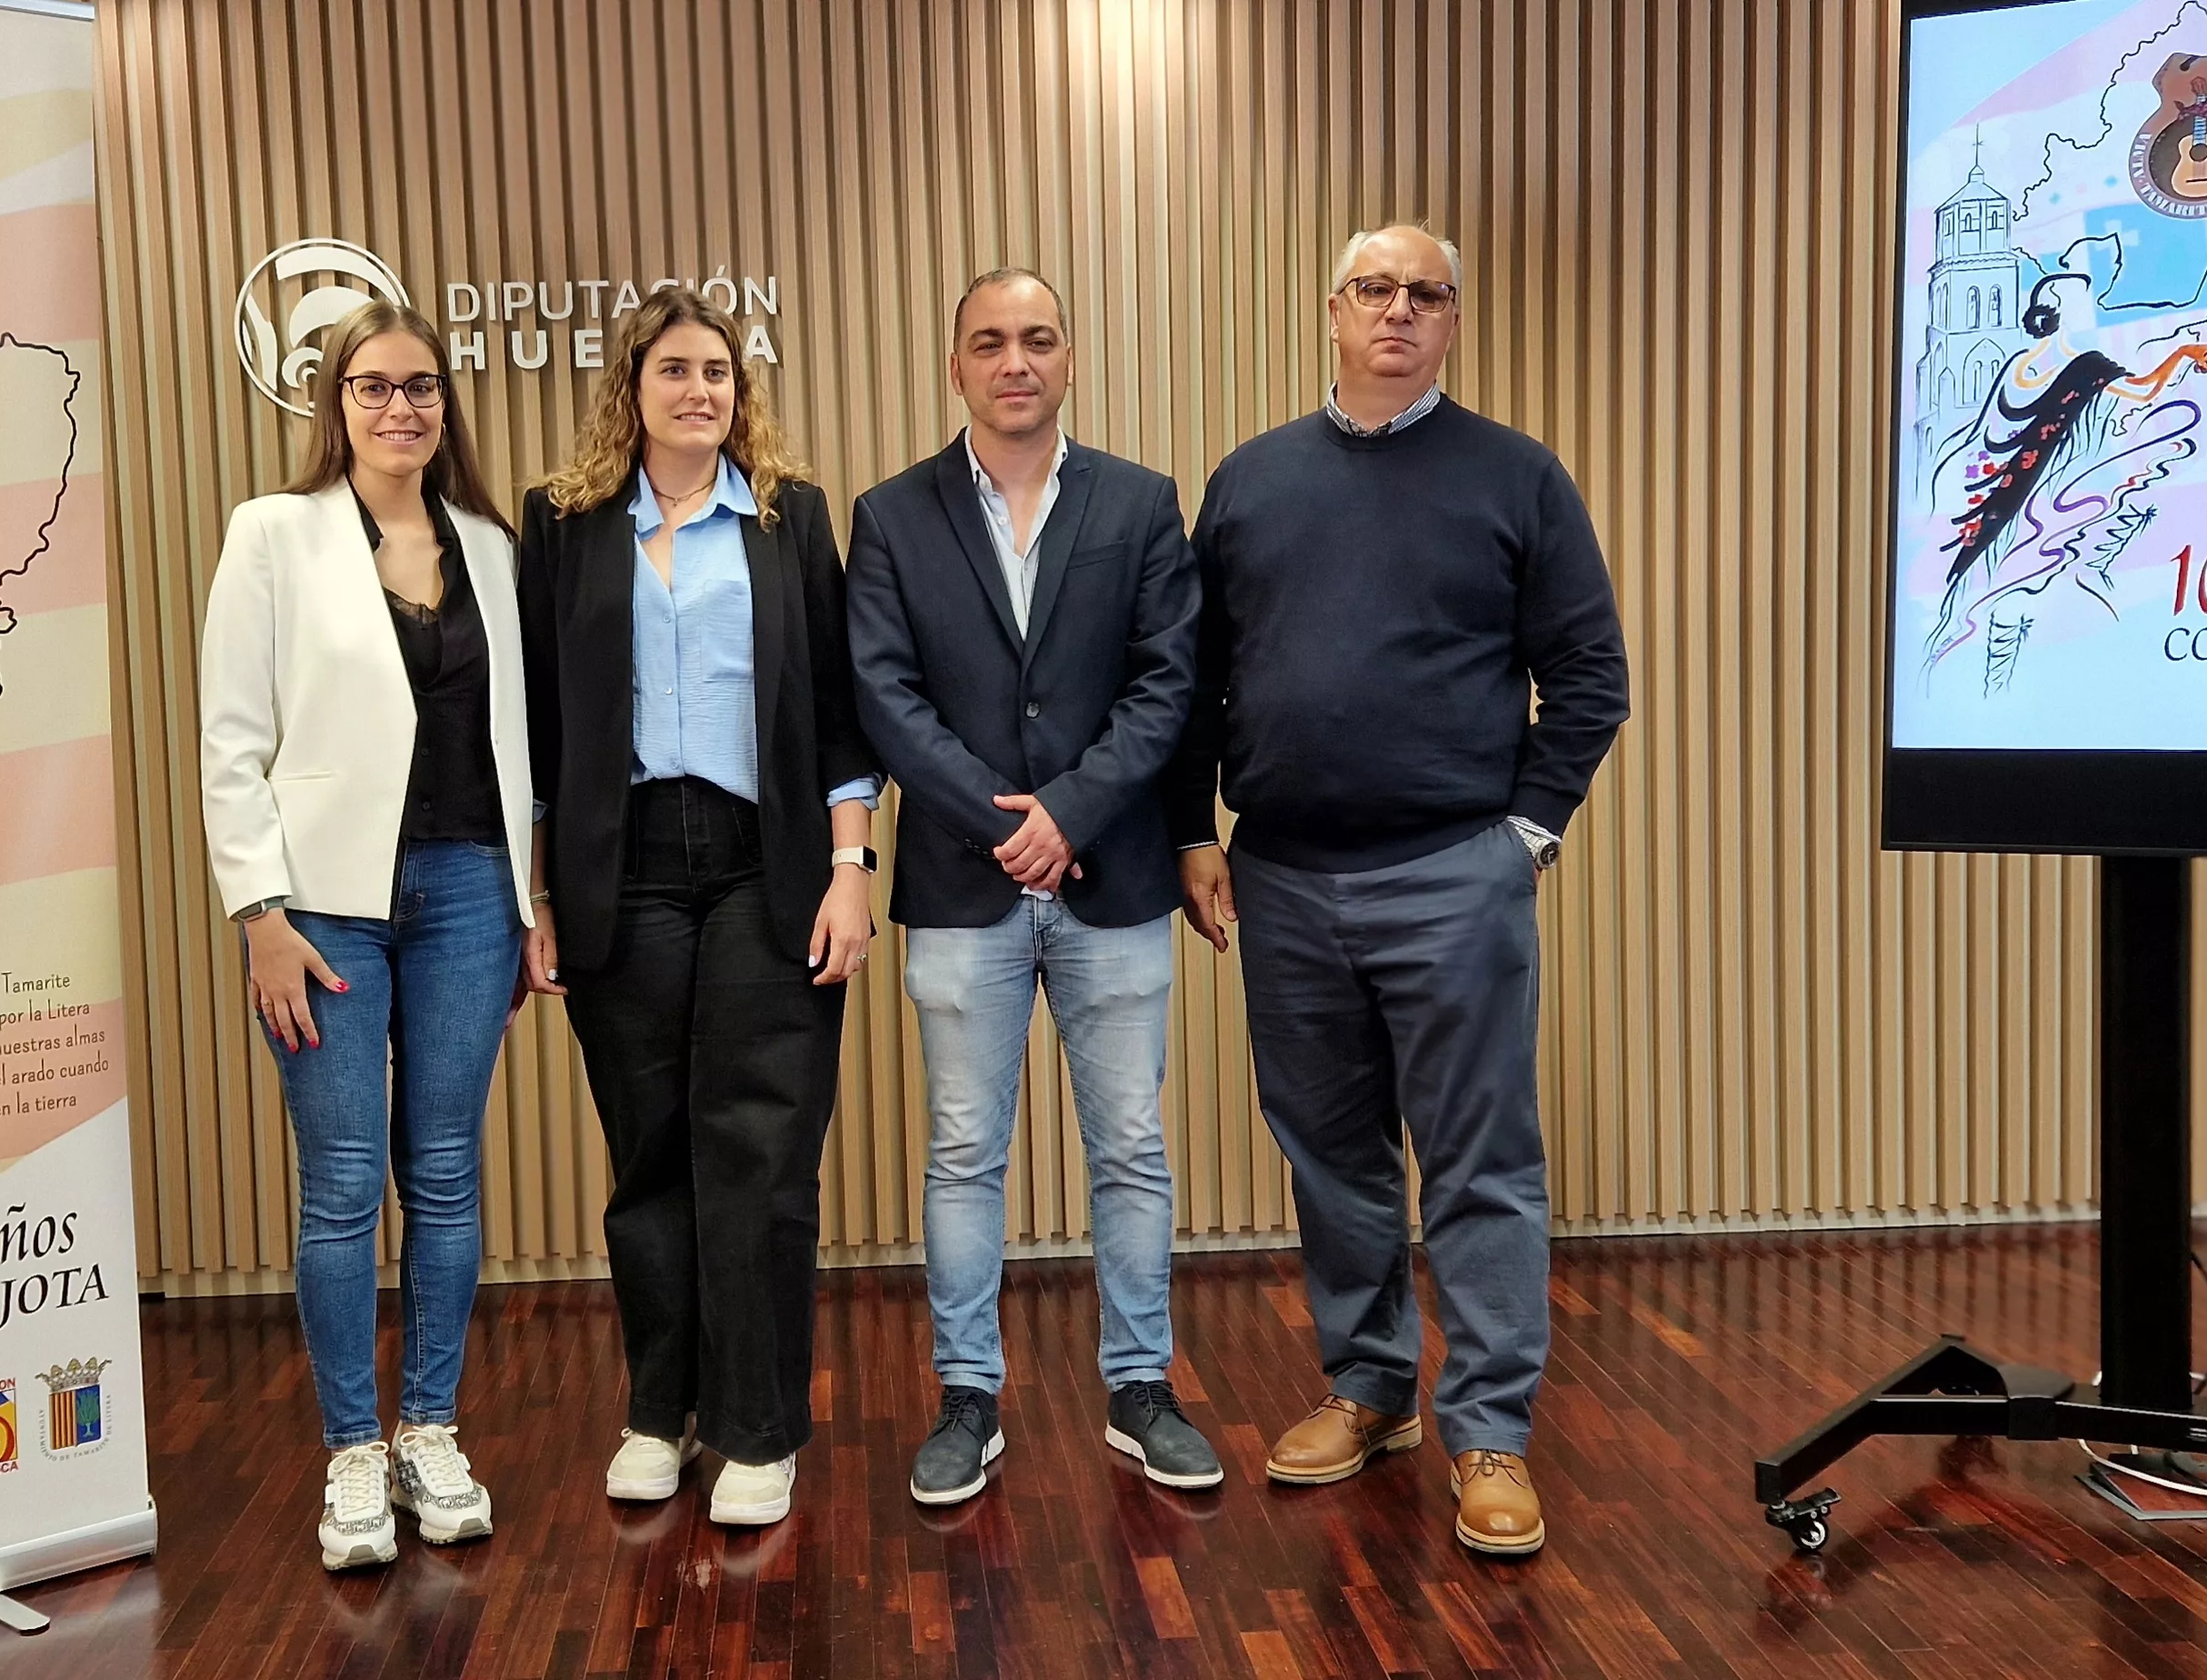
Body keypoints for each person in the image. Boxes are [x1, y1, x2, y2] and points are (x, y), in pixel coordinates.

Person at [1164, 224, 1630, 1556]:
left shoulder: (1516, 477)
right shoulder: (1250, 482)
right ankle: (1372, 1392)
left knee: (1483, 1165)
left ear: (1453, 321)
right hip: (1286, 882)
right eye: (1377, 290)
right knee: (1332, 1157)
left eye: (1427, 295)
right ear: (1331, 310)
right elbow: (1195, 682)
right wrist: (1195, 834)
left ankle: (1491, 1431)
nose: (1400, 312)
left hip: (1452, 877)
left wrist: (1525, 839)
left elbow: (1590, 675)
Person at [843, 268, 1215, 1504]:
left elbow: (1170, 686)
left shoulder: (1140, 503)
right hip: (963, 884)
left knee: (1133, 1152)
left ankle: (1140, 1391)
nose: (1016, 360)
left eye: (1038, 339)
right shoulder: (891, 515)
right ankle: (967, 1398)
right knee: (962, 1155)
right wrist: (1004, 823)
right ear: (955, 364)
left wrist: (1074, 809)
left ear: (1069, 360)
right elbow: (884, 698)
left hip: (1112, 880)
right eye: (990, 341)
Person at [518, 287, 880, 1527]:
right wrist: (542, 894)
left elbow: (838, 710)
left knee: (762, 1156)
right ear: (633, 387)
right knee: (650, 1157)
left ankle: (759, 1430)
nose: (700, 390)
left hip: (762, 864)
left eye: (719, 370)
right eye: (675, 369)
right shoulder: (562, 526)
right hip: (619, 871)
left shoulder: (789, 519)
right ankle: (656, 1414)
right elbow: (542, 729)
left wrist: (851, 868)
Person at [196, 301, 531, 1571]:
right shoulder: (273, 535)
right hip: (325, 908)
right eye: (375, 387)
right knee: (343, 1188)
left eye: (424, 387)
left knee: (444, 1173)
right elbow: (231, 738)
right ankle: (352, 1453)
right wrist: (257, 912)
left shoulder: (491, 547)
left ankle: (431, 1430)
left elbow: (522, 743)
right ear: (334, 404)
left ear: (448, 407)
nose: (403, 408)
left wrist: (524, 903)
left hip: (469, 894)